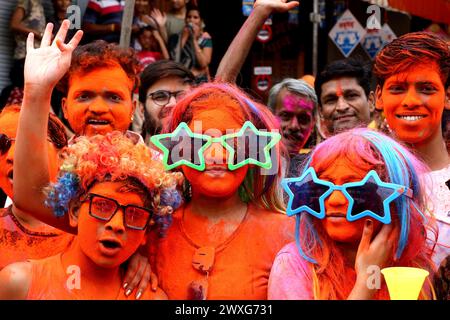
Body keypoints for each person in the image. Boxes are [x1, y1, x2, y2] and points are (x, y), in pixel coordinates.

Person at [13, 20, 158, 297]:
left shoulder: (159, 171)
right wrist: (36, 90)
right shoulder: (45, 162)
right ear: (65, 108)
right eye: (84, 96)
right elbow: (28, 196)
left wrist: (144, 250)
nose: (99, 108)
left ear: (133, 107)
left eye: (113, 97)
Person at [150, 82, 294, 299]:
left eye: (233, 143)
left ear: (254, 150)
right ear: (177, 151)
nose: (217, 155)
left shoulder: (286, 232)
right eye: (200, 143)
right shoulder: (151, 232)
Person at [0, 132, 183, 299]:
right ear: (74, 212)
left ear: (146, 231)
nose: (117, 224)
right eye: (102, 205)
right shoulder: (19, 283)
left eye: (135, 214)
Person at [269, 128, 437, 299]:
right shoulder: (294, 265)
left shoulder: (414, 269)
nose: (335, 200)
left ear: (396, 203)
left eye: (356, 190)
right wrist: (367, 282)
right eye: (322, 187)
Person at [373, 32, 450, 267]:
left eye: (426, 88)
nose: (411, 101)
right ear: (378, 97)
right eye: (397, 88)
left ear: (447, 96)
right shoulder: (357, 179)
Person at [0, 105, 73, 270]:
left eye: (29, 143)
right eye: (1, 144)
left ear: (63, 157)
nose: (13, 156)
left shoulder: (87, 232)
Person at [267, 78, 318, 177]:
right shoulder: (251, 162)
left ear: (313, 125)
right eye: (286, 116)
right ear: (269, 116)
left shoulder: (315, 169)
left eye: (303, 119)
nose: (294, 126)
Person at [314, 58, 375, 138]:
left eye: (351, 96)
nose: (341, 107)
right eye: (331, 100)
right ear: (320, 111)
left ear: (370, 101)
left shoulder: (389, 150)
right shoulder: (318, 151)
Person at [138, 59, 195, 143]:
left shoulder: (209, 154)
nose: (173, 104)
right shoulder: (121, 155)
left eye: (182, 97)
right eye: (160, 96)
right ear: (141, 108)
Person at [8, 0, 47, 107]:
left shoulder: (39, 4)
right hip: (24, 58)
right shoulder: (26, 2)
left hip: (35, 59)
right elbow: (14, 24)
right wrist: (38, 34)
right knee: (21, 95)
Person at [169, 5, 212, 84]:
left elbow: (203, 63)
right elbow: (174, 59)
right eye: (189, 17)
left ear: (201, 21)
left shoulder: (205, 39)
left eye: (195, 17)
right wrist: (184, 38)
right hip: (183, 80)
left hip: (200, 81)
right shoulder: (175, 37)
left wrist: (193, 39)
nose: (191, 20)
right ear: (185, 20)